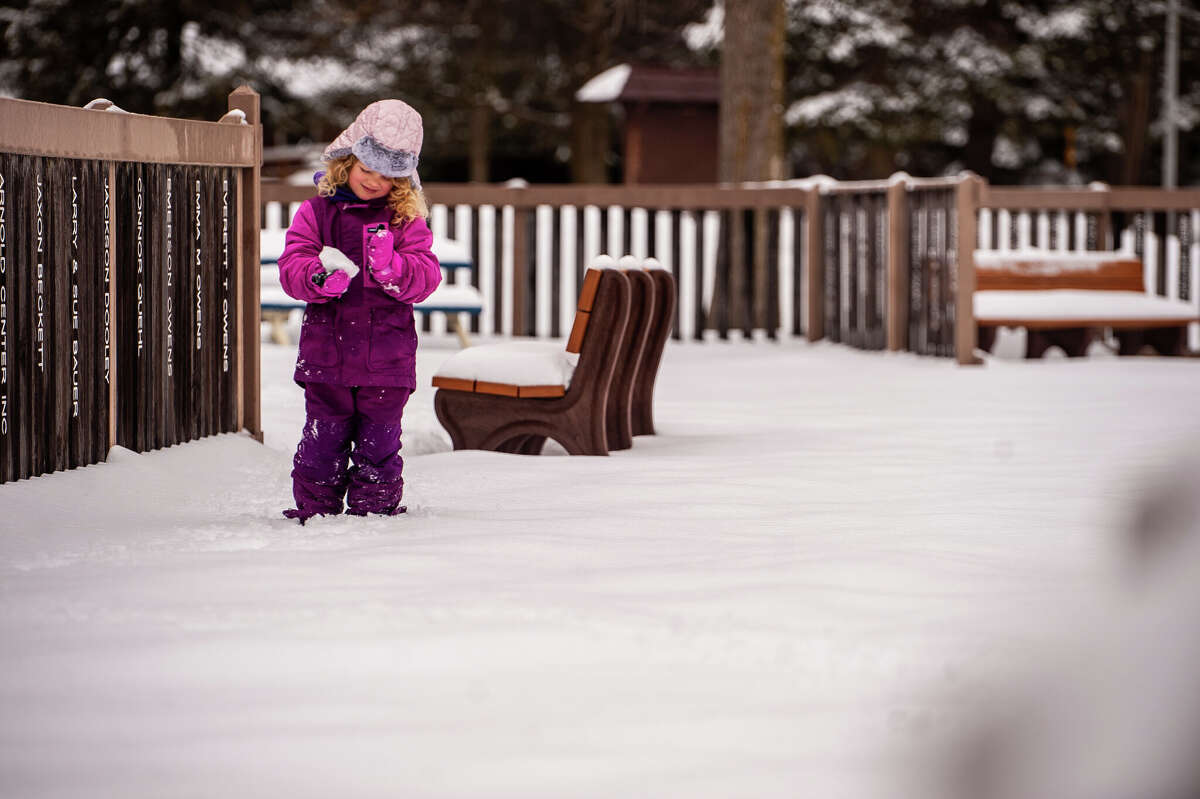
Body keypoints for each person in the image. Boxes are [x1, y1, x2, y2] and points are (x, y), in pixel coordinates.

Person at [277, 99, 442, 523]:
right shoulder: (316, 213)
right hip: (326, 357)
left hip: (386, 359)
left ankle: (375, 514)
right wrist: (317, 277)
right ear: (345, 161)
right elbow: (293, 265)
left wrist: (394, 267)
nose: (374, 181)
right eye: (367, 169)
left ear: (403, 180)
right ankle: (314, 512)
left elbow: (425, 277)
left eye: (388, 175)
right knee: (322, 439)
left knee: (380, 442)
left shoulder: (405, 221)